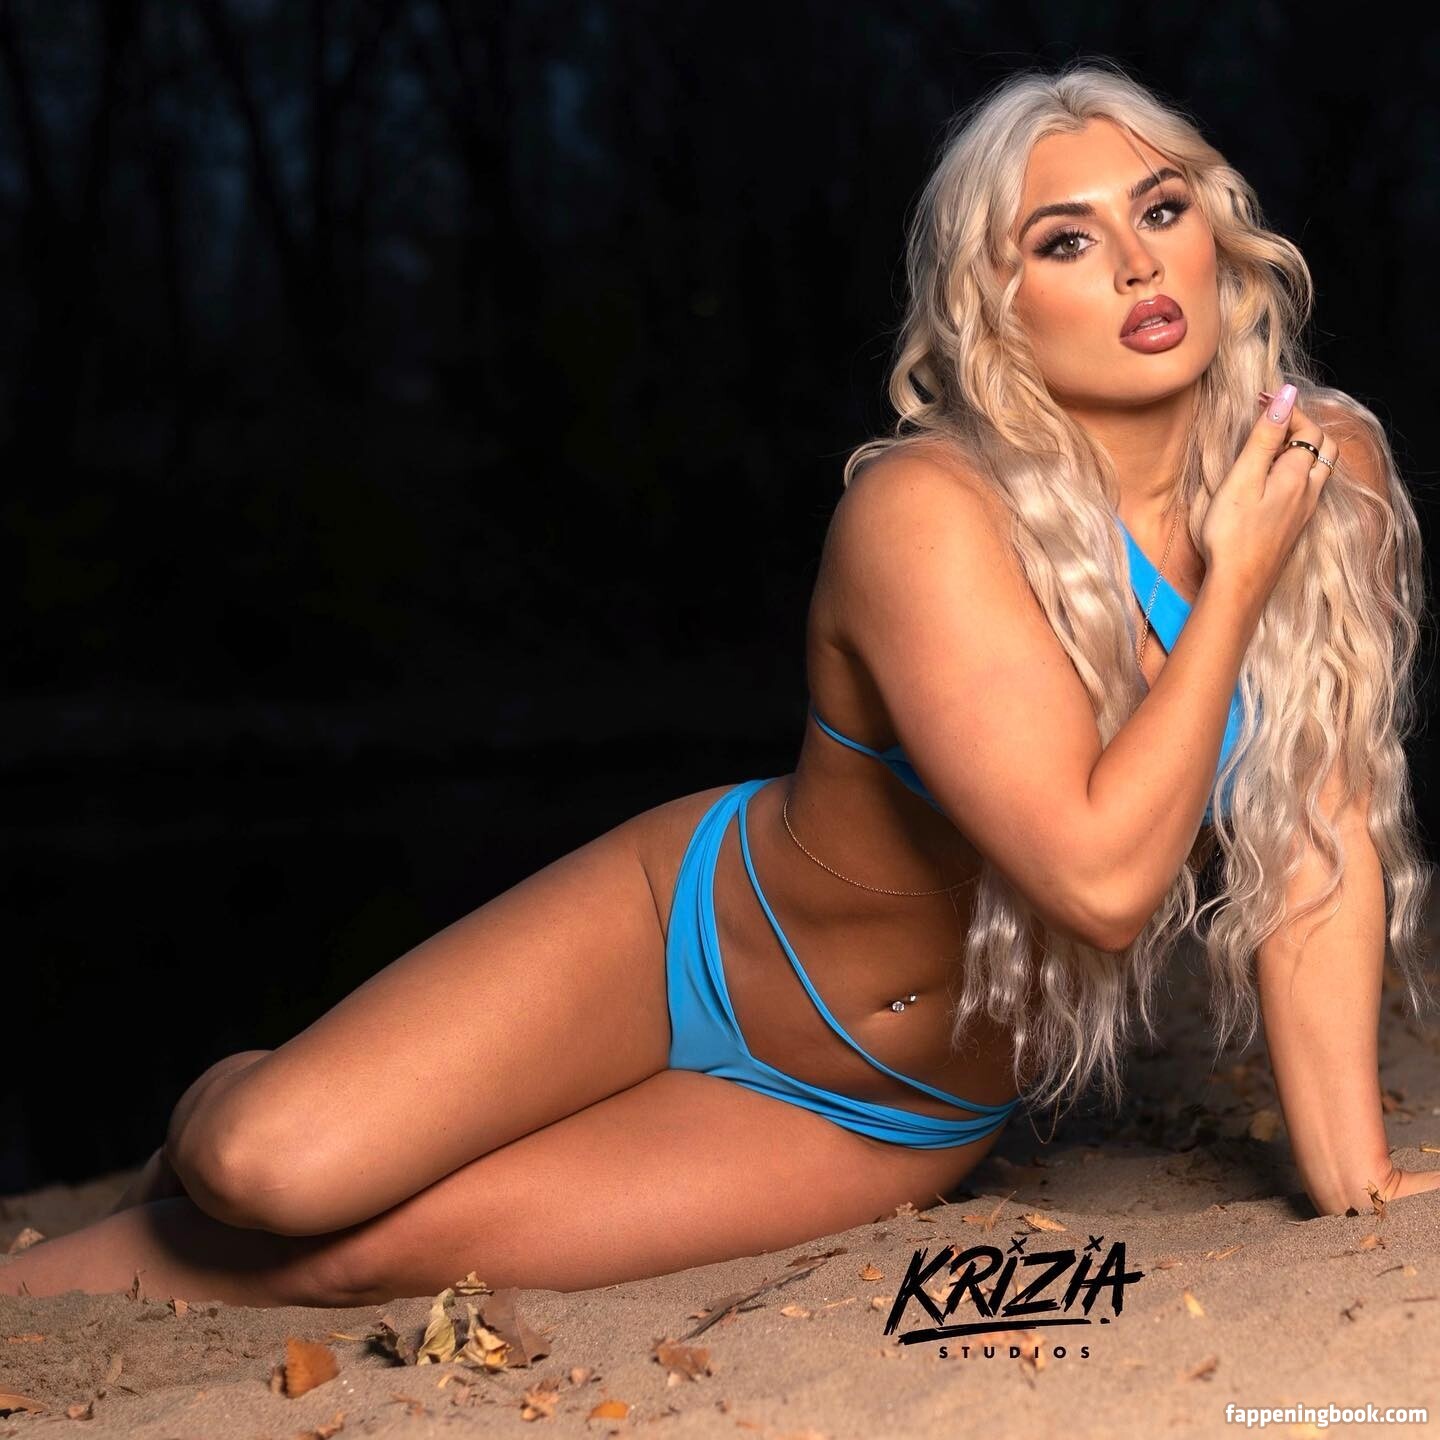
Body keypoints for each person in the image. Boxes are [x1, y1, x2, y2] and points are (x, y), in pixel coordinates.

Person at [5, 58, 1437, 1309]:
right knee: (264, 1167)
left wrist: (1353, 1180)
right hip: (692, 935)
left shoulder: (1328, 472)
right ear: (994, 310)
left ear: (1216, 236)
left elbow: (1315, 833)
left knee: (353, 1261)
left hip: (893, 1108)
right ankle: (217, 1101)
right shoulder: (927, 512)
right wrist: (1233, 580)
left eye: (1161, 211)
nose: (1135, 265)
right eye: (1067, 239)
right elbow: (1102, 875)